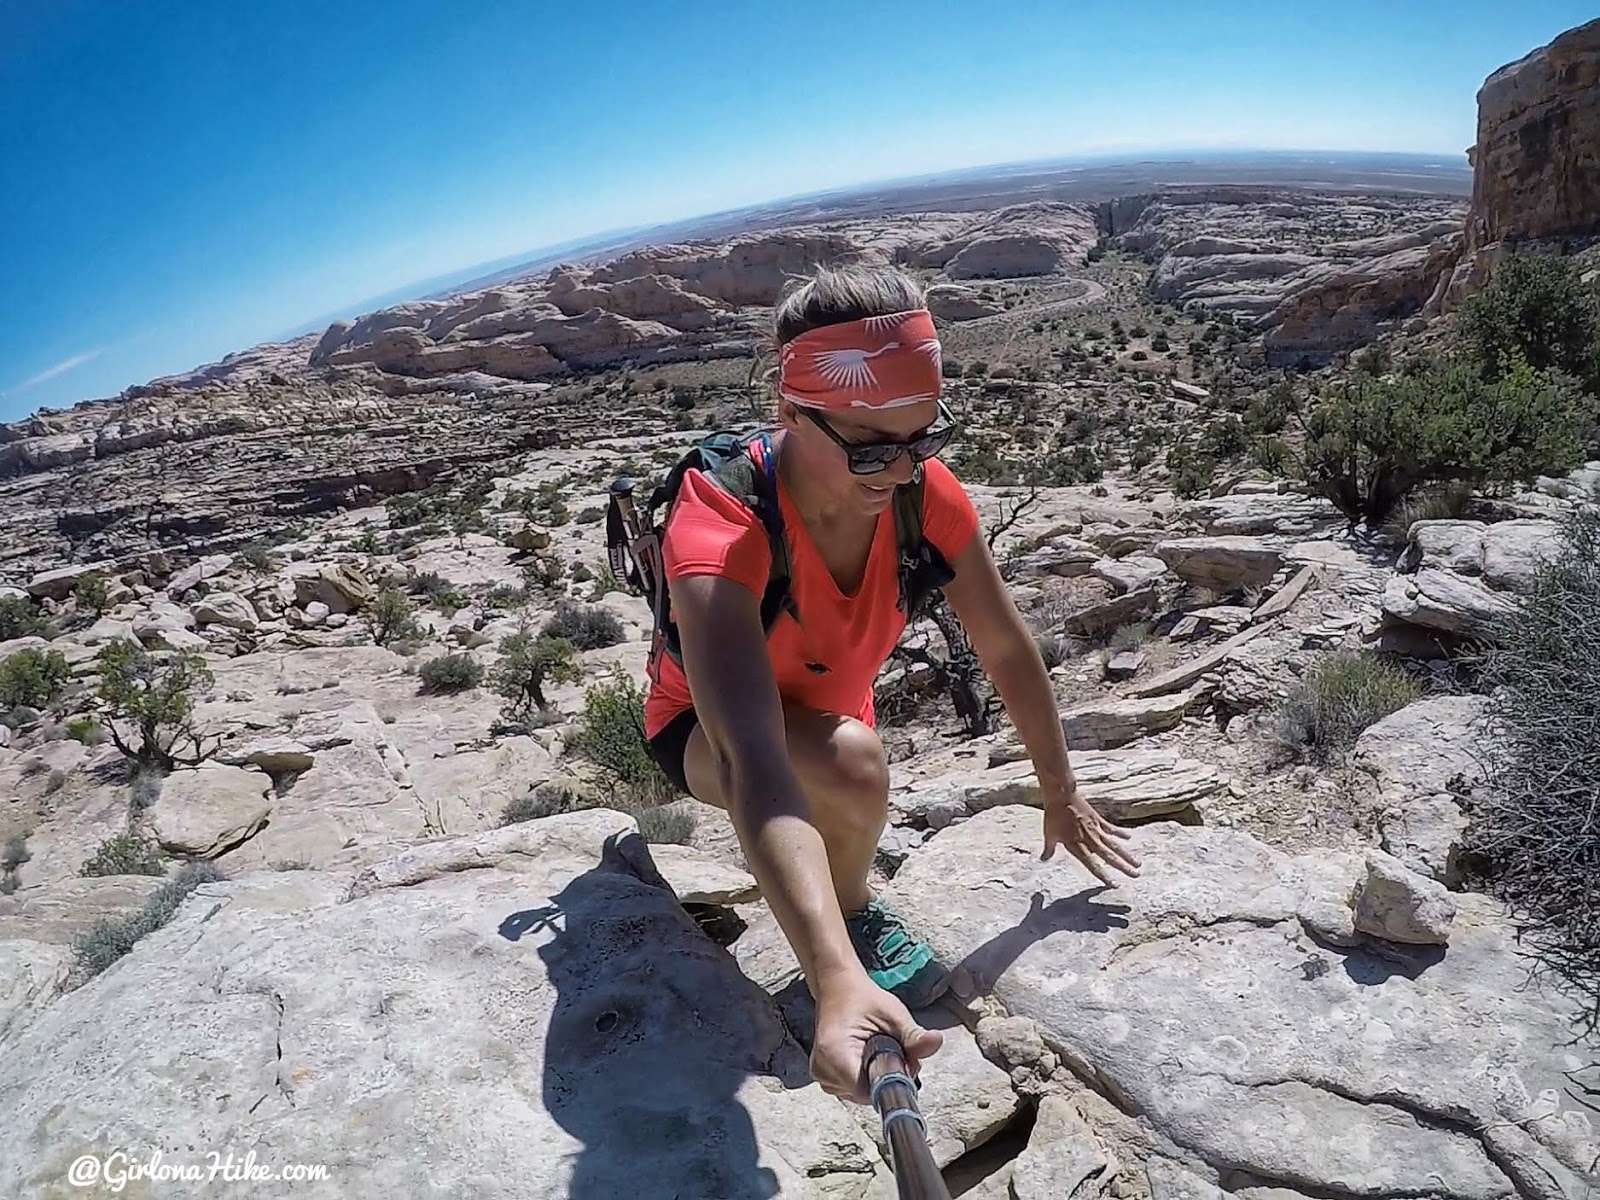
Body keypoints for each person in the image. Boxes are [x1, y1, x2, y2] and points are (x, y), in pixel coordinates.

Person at [640, 263, 1142, 1106]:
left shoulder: (919, 496)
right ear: (791, 413)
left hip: (832, 712)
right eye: (872, 448)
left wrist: (1061, 790)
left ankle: (841, 901)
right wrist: (834, 978)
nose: (901, 471)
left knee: (847, 757)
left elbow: (1007, 648)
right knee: (849, 767)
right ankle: (848, 917)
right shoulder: (722, 523)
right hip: (702, 725)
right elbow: (753, 757)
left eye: (924, 439)